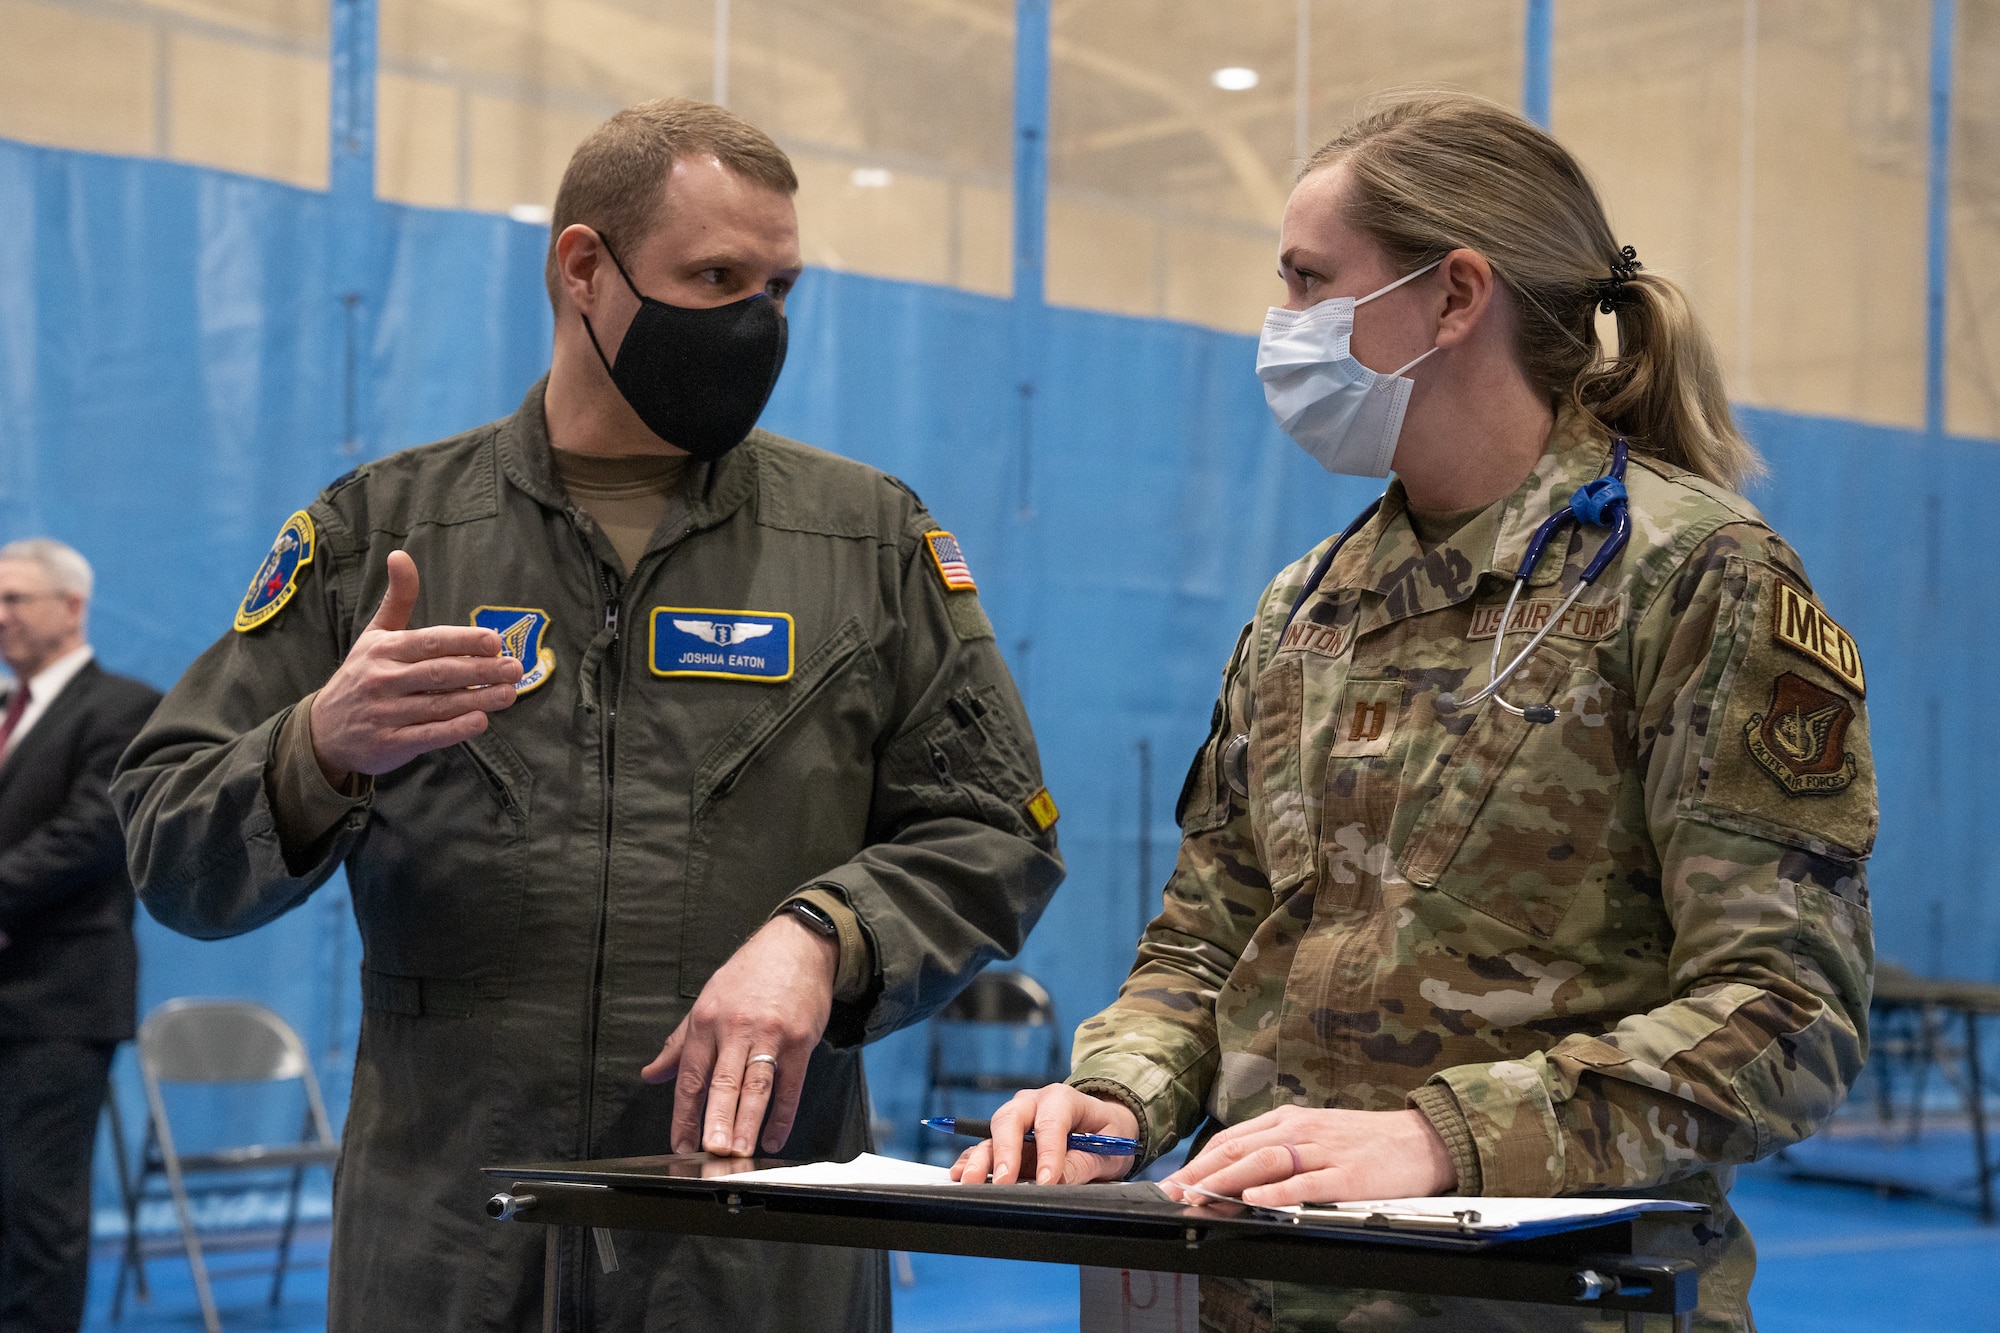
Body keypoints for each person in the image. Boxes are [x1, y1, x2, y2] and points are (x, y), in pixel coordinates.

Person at [112, 99, 1063, 1332]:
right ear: (582, 269)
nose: (755, 321)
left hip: (753, 1253)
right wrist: (317, 749)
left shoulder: (866, 542)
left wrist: (824, 936)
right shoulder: (377, 536)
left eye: (780, 285)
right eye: (715, 276)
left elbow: (998, 830)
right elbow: (169, 845)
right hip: (453, 1246)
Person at [952, 91, 1873, 1332]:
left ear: (1451, 297)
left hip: (1544, 1300)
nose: (1280, 326)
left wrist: (1442, 1139)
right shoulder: (1307, 606)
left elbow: (1786, 1011)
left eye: (1307, 279)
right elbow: (1205, 938)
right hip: (1259, 1293)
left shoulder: (1692, 578)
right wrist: (1117, 1093)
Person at [0, 538, 160, 1333]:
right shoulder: (5, 714)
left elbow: (88, 833)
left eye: (14, 598)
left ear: (71, 606)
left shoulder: (124, 708)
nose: (1, 616)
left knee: (39, 1210)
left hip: (59, 999)